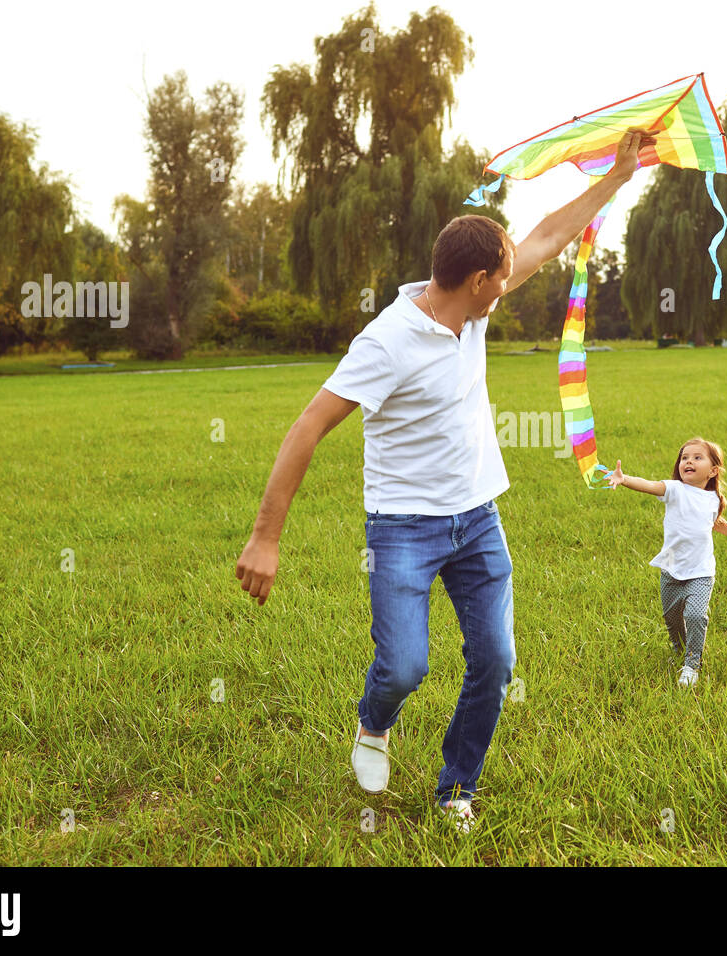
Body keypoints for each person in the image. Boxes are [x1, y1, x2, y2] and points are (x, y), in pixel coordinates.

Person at [235, 130, 656, 830]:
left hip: (478, 518)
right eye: (503, 274)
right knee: (404, 667)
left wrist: (616, 178)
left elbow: (550, 234)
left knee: (496, 661)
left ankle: (456, 787)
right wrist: (264, 539)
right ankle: (375, 722)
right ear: (477, 282)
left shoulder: (472, 310)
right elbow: (307, 427)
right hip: (403, 526)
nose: (512, 278)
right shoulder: (388, 341)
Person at [607, 437, 727, 686]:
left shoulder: (713, 499)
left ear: (713, 470)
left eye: (697, 457)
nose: (688, 461)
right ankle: (679, 650)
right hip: (672, 570)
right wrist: (625, 480)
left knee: (696, 616)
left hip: (701, 571)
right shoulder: (675, 490)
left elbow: (715, 522)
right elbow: (650, 485)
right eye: (684, 458)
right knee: (672, 619)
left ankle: (692, 663)